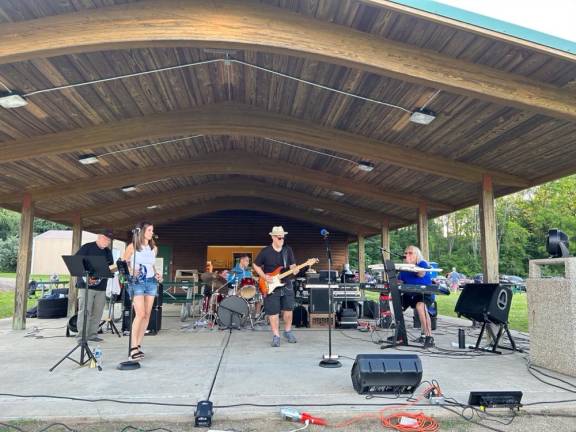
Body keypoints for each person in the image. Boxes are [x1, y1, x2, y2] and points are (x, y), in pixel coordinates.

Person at [122, 222, 162, 361]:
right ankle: (132, 348)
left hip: (151, 282)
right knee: (140, 314)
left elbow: (152, 265)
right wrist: (131, 270)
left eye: (152, 230)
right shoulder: (132, 246)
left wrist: (157, 274)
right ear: (142, 232)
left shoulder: (154, 248)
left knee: (147, 316)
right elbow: (123, 263)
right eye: (149, 230)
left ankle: (138, 345)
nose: (152, 233)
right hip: (137, 282)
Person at [252, 226, 298, 347]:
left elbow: (293, 265)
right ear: (273, 237)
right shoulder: (265, 251)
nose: (282, 239)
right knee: (273, 312)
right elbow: (255, 265)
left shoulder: (288, 250)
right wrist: (263, 276)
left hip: (286, 283)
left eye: (283, 237)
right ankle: (276, 335)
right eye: (279, 237)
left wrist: (295, 269)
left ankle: (288, 331)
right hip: (270, 285)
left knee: (288, 310)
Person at [74, 229, 114, 342]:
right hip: (86, 285)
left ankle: (92, 335)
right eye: (106, 239)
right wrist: (86, 277)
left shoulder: (108, 252)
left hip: (101, 287)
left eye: (109, 240)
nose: (107, 242)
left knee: (98, 312)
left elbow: (110, 267)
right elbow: (76, 261)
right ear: (99, 237)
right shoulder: (87, 247)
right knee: (85, 311)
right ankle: (81, 336)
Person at [398, 245, 435, 348]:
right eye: (406, 253)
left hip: (423, 293)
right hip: (409, 294)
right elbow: (400, 280)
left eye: (410, 253)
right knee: (397, 304)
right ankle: (399, 334)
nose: (407, 255)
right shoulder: (403, 268)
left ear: (417, 255)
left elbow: (421, 274)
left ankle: (429, 337)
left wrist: (411, 265)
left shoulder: (422, 263)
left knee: (420, 306)